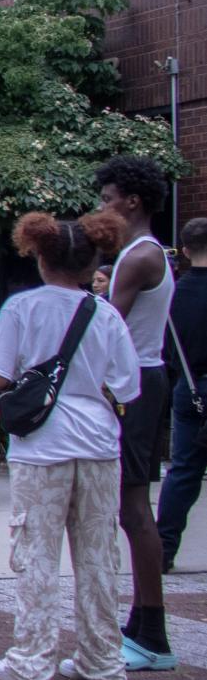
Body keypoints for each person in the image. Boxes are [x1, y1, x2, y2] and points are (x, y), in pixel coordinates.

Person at [0, 210, 138, 680]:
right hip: (98, 445)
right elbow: (127, 386)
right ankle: (102, 659)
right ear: (93, 263)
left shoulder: (22, 308)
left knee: (36, 553)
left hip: (41, 447)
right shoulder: (105, 312)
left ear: (40, 258)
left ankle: (32, 658)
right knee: (98, 555)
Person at [97, 155, 177, 670]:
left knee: (132, 507)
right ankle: (143, 624)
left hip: (137, 383)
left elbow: (107, 325)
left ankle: (152, 634)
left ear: (133, 201)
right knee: (131, 506)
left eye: (108, 199)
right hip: (147, 379)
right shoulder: (149, 253)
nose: (102, 208)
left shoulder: (137, 258)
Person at [158, 218, 207, 569]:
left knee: (184, 471)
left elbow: (168, 352)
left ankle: (163, 550)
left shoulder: (174, 294)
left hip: (189, 386)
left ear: (186, 251)